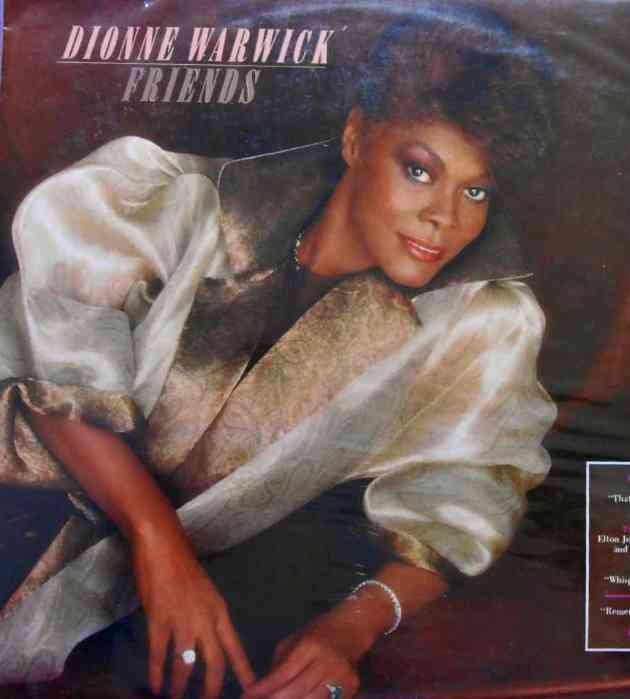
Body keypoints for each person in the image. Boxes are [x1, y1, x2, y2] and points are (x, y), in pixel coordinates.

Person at [0, 7, 556, 699]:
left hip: (167, 609)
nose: (446, 216)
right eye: (419, 170)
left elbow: (462, 502)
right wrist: (158, 542)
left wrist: (349, 630)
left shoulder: (478, 323)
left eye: (475, 190)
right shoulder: (181, 203)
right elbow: (56, 368)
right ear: (357, 137)